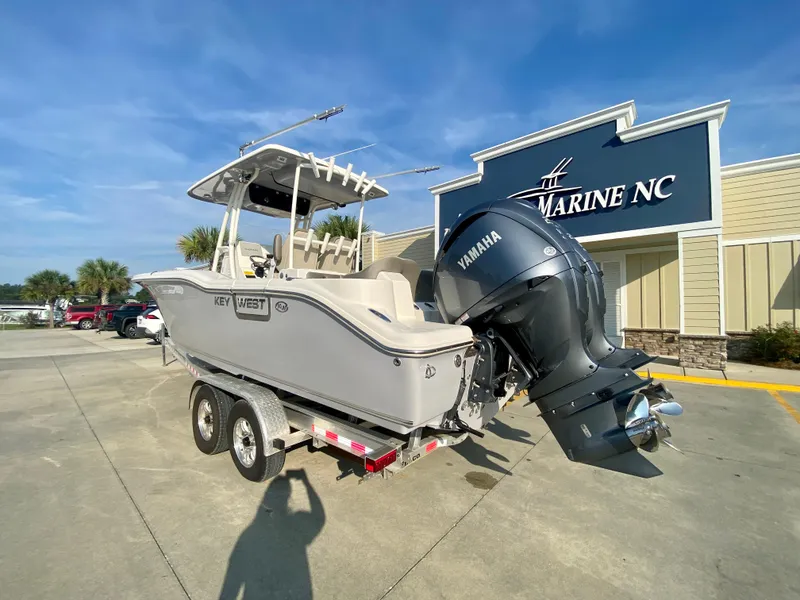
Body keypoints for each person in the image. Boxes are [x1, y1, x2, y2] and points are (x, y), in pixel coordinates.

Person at [218, 469, 325, 600]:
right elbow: (319, 517)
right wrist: (306, 482)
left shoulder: (249, 535)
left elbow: (231, 584)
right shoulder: (295, 526)